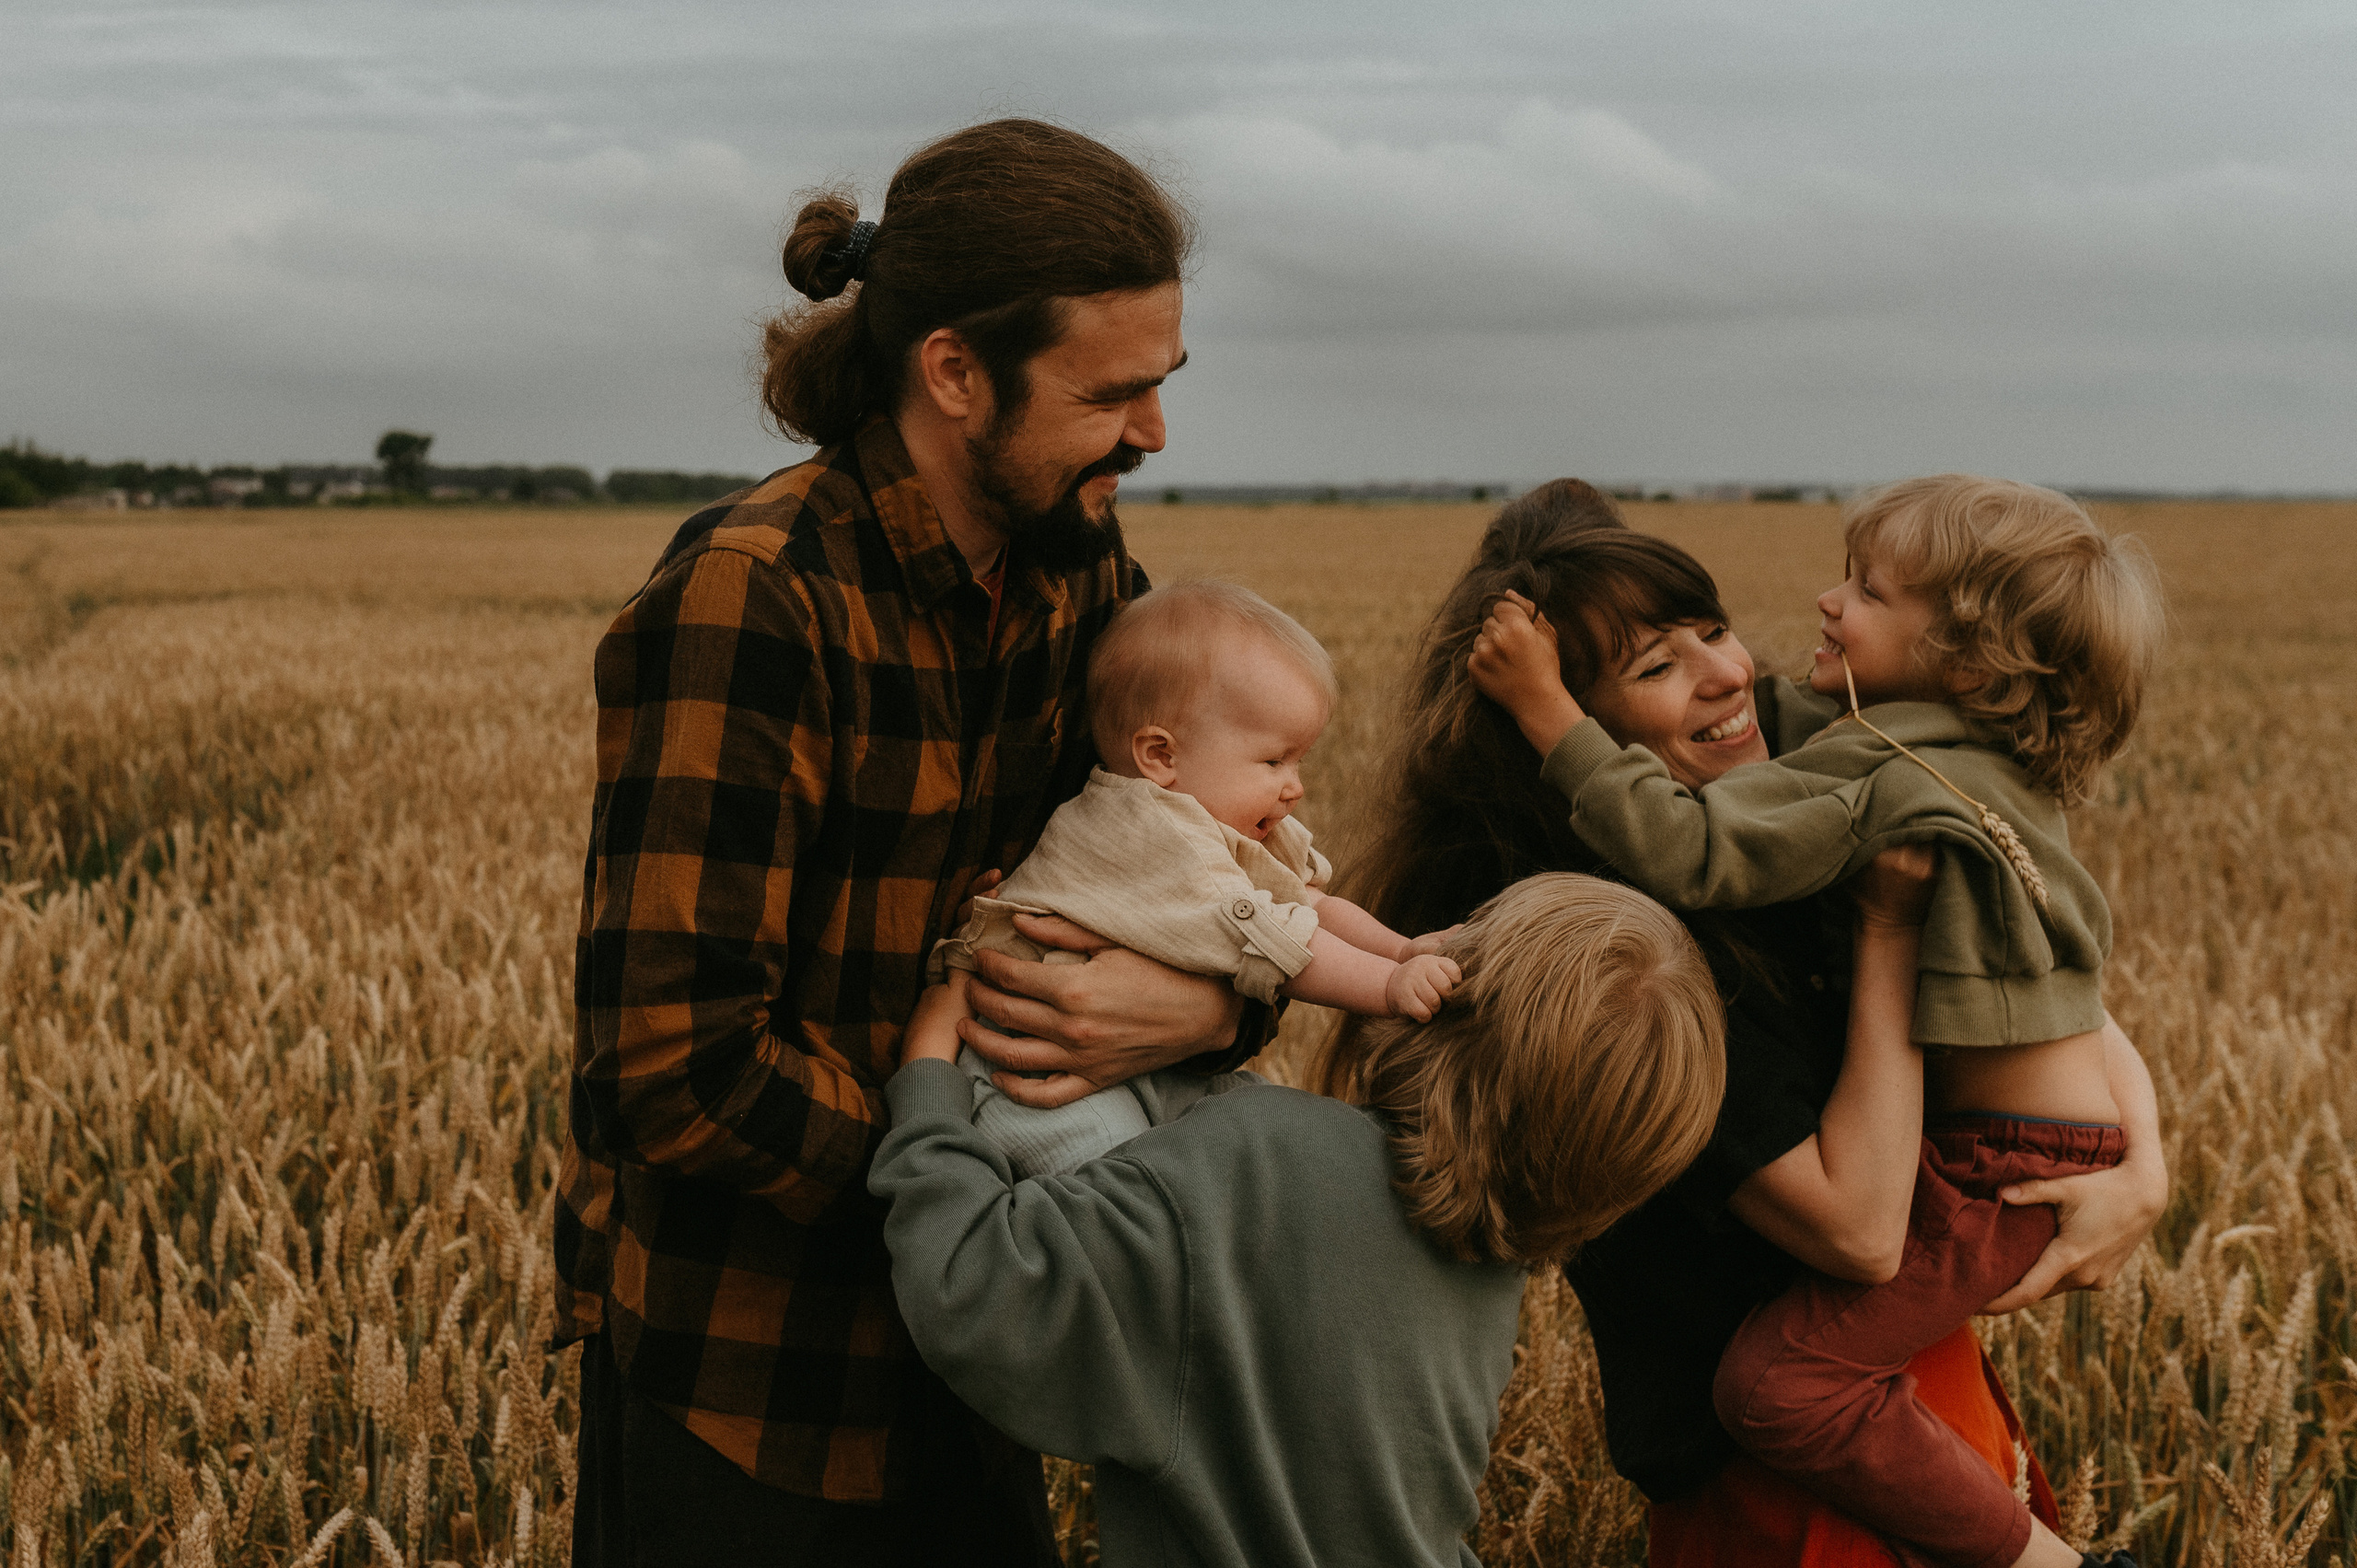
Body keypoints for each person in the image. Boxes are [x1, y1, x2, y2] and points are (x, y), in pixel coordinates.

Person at [555, 120, 1270, 1566]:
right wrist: (954, 1169)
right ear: (953, 371)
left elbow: (1197, 871)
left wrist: (1217, 997)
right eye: (1113, 391)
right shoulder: (754, 599)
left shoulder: (1085, 578)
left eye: (1163, 383)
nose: (1153, 432)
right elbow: (670, 1064)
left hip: (980, 1367)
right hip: (753, 1389)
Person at [1326, 480, 2168, 1566]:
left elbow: (2054, 983)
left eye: (1710, 627)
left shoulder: (1841, 808)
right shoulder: (1621, 968)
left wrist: (2141, 1159)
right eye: (1655, 665)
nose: (1731, 673)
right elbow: (1863, 1232)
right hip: (1794, 1505)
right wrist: (1886, 934)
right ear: (1572, 732)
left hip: (1924, 1444)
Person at [876, 872, 1726, 1568]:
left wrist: (928, 1086)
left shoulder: (1256, 1156)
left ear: (1443, 1010)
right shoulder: (1483, 1282)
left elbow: (978, 1292)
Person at [925, 578, 1462, 1176]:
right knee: (1127, 1178)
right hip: (1031, 1072)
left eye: (1300, 760)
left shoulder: (1216, 818)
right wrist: (1389, 986)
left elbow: (1308, 905)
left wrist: (1402, 948)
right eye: (1272, 760)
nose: (1296, 785)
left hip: (1136, 1061)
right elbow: (1283, 941)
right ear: (1161, 756)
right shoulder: (1150, 831)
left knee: (1257, 1120)